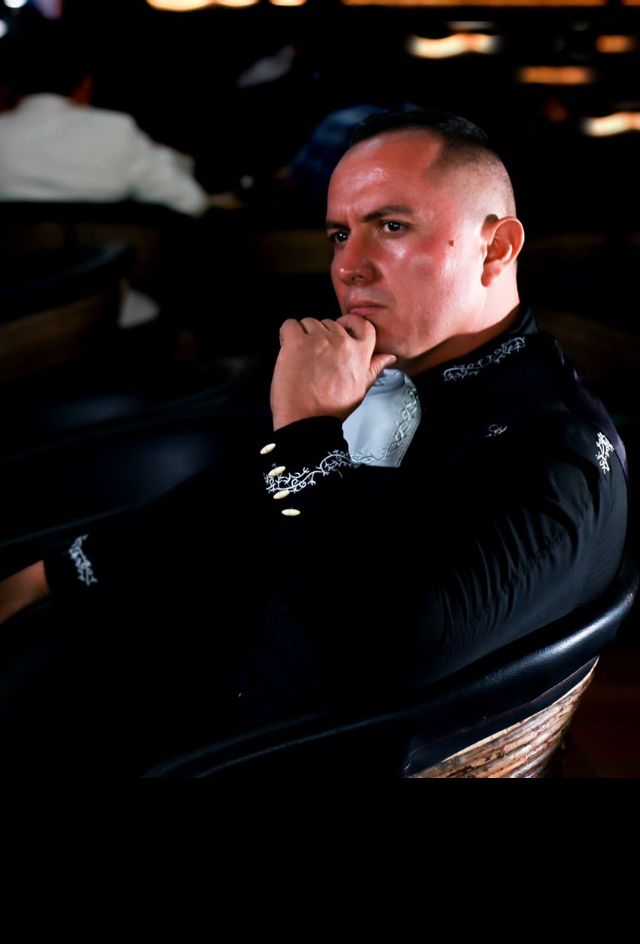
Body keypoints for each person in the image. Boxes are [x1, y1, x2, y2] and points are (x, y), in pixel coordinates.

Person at [0, 110, 629, 773]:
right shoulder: (402, 380)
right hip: (209, 685)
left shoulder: (555, 448)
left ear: (496, 248)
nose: (348, 267)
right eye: (339, 234)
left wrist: (308, 434)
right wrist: (50, 574)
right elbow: (237, 499)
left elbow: (378, 656)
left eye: (392, 226)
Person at [0, 26, 229, 217]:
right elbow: (191, 202)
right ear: (85, 86)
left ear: (8, 88)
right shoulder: (117, 131)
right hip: (107, 258)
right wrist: (159, 153)